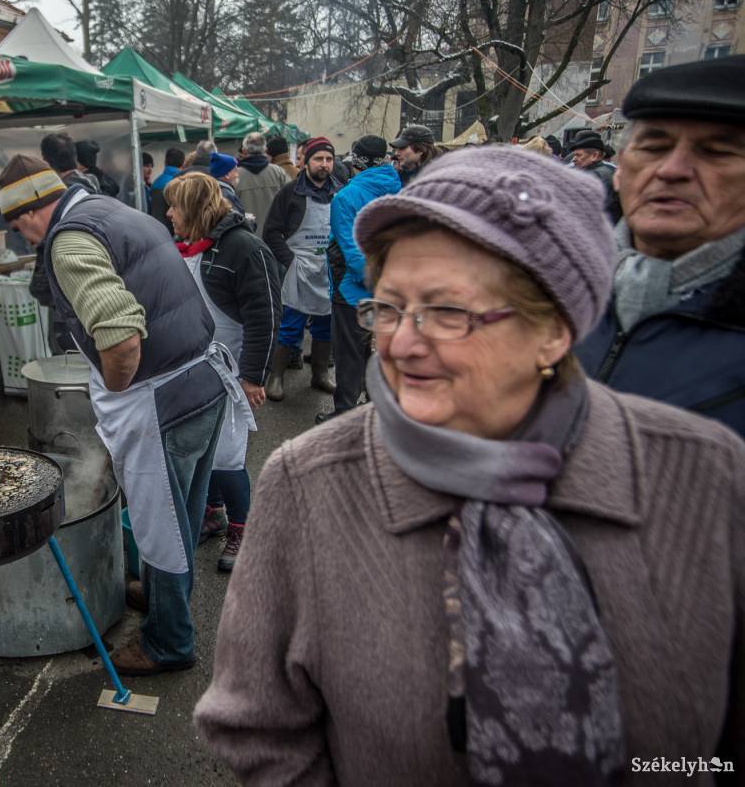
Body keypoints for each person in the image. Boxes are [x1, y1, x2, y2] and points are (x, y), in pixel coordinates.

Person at [195, 145, 745, 785]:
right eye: (389, 306)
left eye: (448, 311)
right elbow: (256, 726)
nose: (399, 343)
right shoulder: (308, 481)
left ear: (556, 331)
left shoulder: (706, 474)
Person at [0, 155, 231, 676]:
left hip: (160, 399)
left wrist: (117, 389)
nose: (25, 237)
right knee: (184, 515)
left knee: (159, 526)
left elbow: (121, 337)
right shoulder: (111, 209)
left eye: (18, 225)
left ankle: (168, 642)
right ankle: (166, 598)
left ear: (33, 210)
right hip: (202, 381)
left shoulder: (69, 240)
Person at [576, 54, 745, 437]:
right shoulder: (557, 293)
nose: (671, 170)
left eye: (716, 151)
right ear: (620, 170)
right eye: (653, 147)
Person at [165, 172, 281, 571]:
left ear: (196, 208)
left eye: (175, 205)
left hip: (231, 369)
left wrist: (253, 376)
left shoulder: (244, 249)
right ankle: (213, 513)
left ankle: (243, 530)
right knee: (203, 453)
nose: (169, 213)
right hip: (193, 369)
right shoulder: (184, 248)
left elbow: (264, 315)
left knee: (229, 458)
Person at [317, 135, 402, 424]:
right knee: (375, 351)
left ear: (359, 162)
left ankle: (344, 415)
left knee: (349, 352)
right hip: (389, 287)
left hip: (353, 289)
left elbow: (349, 247)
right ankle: (374, 409)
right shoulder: (399, 189)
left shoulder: (346, 197)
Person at [261, 136, 340, 401]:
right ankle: (276, 377)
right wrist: (289, 260)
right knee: (290, 325)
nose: (324, 164)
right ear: (306, 162)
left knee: (325, 326)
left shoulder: (340, 192)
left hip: (328, 270)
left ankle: (319, 375)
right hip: (298, 267)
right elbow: (270, 232)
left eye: (329, 159)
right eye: (319, 159)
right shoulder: (289, 192)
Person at [566, 129, 622, 223]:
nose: (574, 159)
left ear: (594, 156)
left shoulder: (594, 176)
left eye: (578, 155)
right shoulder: (607, 170)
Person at [236, 132, 290, 228]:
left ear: (244, 151)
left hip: (245, 235)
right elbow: (290, 201)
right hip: (273, 234)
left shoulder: (234, 175)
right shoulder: (279, 173)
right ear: (266, 150)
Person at [150, 148, 185, 232]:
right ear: (183, 162)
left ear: (165, 161)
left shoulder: (156, 181)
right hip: (172, 231)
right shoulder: (179, 182)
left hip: (155, 227)